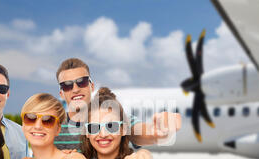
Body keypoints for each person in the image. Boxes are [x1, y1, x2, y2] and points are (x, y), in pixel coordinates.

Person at [54, 57, 182, 151]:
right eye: (67, 85)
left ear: (91, 86)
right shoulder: (51, 126)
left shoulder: (115, 118)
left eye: (82, 82)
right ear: (61, 93)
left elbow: (136, 131)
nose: (75, 89)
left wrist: (155, 132)